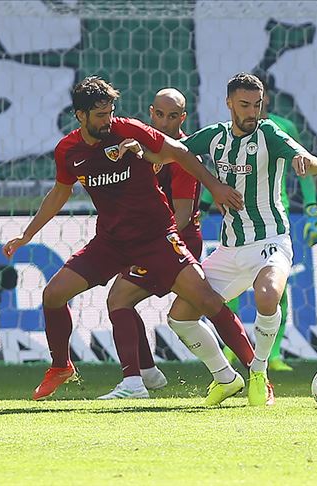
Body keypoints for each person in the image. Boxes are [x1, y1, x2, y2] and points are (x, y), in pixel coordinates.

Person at [2, 76, 251, 403]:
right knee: (54, 294)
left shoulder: (129, 130)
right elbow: (60, 192)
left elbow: (179, 151)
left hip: (156, 238)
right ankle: (62, 366)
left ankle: (256, 370)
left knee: (206, 300)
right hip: (111, 242)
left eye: (110, 112)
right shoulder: (68, 150)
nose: (108, 120)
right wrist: (27, 234)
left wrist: (214, 187)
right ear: (80, 116)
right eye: (100, 115)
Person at [169, 72, 317, 406]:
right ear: (229, 103)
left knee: (267, 296)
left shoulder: (270, 133)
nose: (253, 111)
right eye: (245, 105)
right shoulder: (215, 136)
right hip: (230, 249)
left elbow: (314, 163)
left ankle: (259, 370)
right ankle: (225, 377)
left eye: (257, 104)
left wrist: (306, 162)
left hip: (271, 240)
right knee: (178, 317)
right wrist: (138, 147)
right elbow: (174, 151)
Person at [97, 87, 203, 400]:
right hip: (150, 241)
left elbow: (182, 214)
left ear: (183, 118)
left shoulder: (182, 155)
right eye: (160, 115)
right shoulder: (139, 146)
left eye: (173, 116)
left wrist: (152, 242)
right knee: (122, 300)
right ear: (150, 112)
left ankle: (136, 381)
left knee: (120, 299)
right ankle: (148, 373)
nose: (165, 122)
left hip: (177, 242)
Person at [218, 78, 317, 372]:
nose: (254, 105)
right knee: (231, 287)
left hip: (275, 218)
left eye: (259, 98)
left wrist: (312, 209)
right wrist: (204, 201)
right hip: (237, 215)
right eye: (246, 101)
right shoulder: (225, 134)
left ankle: (273, 354)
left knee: (277, 288)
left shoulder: (281, 128)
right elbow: (220, 173)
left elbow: (304, 167)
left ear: (265, 98)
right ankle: (231, 347)